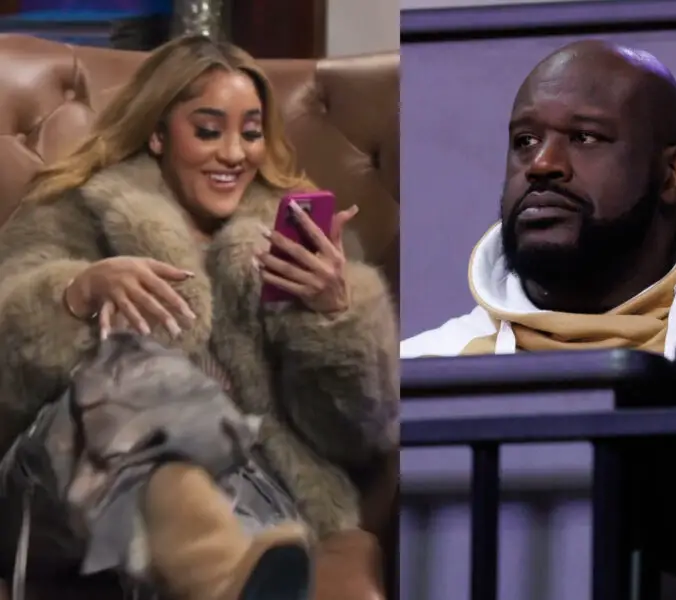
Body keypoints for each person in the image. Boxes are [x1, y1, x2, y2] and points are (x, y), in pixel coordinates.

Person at [0, 35, 398, 599]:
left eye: (252, 132)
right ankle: (218, 575)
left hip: (244, 491)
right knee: (137, 372)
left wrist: (335, 317)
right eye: (209, 130)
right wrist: (75, 294)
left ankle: (221, 567)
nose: (234, 154)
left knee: (236, 493)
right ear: (159, 134)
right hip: (65, 479)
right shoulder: (75, 207)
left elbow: (360, 434)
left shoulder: (296, 244)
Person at [401, 40, 676, 360]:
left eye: (584, 137)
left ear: (674, 175)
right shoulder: (422, 372)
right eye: (525, 141)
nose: (541, 164)